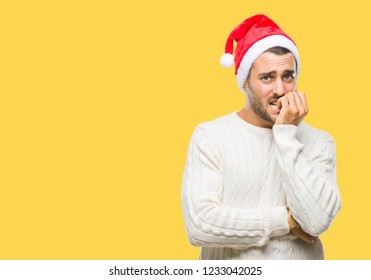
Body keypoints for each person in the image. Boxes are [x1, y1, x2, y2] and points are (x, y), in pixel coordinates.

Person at [181, 14, 341, 260]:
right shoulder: (211, 136)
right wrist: (286, 221)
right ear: (245, 82)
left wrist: (286, 135)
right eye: (267, 77)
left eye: (288, 76)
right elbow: (200, 224)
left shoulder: (320, 142)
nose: (280, 89)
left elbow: (316, 221)